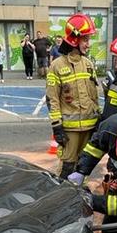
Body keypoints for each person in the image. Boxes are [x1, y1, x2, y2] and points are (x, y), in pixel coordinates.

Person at [46, 13, 100, 179]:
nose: (88, 44)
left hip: (89, 128)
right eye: (85, 40)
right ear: (75, 39)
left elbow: (94, 96)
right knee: (68, 168)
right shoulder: (56, 66)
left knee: (83, 168)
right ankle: (62, 200)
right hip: (69, 131)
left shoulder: (88, 64)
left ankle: (79, 198)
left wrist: (98, 119)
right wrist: (57, 126)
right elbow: (52, 99)